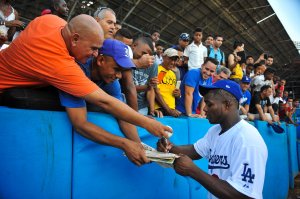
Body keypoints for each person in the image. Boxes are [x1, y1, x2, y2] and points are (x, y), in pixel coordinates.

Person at [0, 15, 171, 149]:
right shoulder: (63, 65)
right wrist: (147, 123)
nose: (95, 54)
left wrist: (140, 145)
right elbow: (102, 104)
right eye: (93, 49)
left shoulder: (51, 21)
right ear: (74, 39)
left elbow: (118, 106)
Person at [157, 79, 268, 199]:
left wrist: (193, 171)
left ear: (227, 105)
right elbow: (194, 151)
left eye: (209, 104)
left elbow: (245, 195)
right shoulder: (215, 131)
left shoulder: (247, 139)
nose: (204, 109)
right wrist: (170, 148)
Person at [59, 39, 146, 165]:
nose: (119, 76)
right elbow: (80, 124)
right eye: (117, 69)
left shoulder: (111, 80)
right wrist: (125, 144)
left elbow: (121, 113)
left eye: (122, 71)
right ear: (100, 60)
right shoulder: (75, 69)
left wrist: (139, 147)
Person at [154, 48, 181, 117]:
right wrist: (168, 110)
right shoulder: (160, 70)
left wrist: (178, 94)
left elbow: (172, 93)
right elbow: (156, 92)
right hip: (161, 110)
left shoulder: (172, 74)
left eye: (175, 60)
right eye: (170, 59)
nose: (172, 62)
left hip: (171, 109)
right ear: (163, 57)